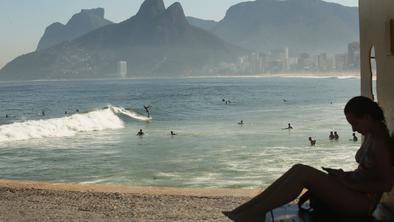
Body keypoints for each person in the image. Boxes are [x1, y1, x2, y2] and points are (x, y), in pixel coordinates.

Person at [223, 96, 393, 221]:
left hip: (361, 203)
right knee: (298, 168)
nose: (354, 129)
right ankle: (246, 210)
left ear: (368, 117)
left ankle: (254, 213)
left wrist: (349, 183)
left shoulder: (381, 143)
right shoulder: (372, 134)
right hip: (352, 192)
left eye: (355, 123)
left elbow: (386, 184)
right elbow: (368, 172)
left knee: (303, 173)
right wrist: (345, 175)